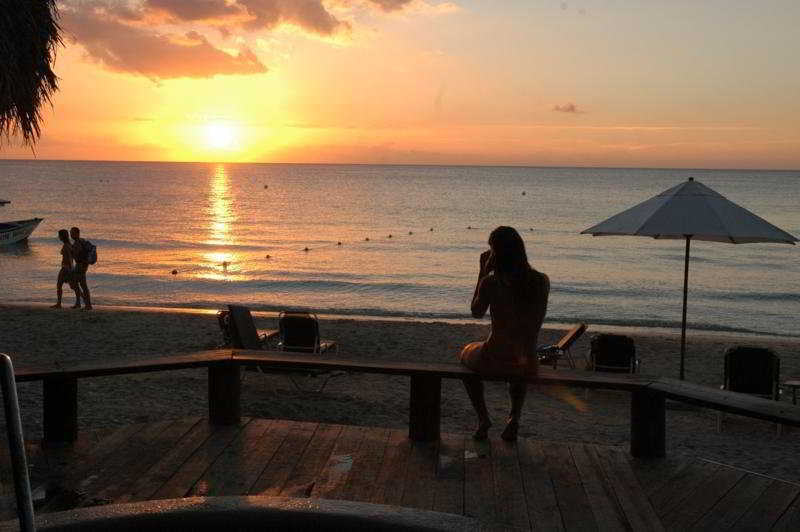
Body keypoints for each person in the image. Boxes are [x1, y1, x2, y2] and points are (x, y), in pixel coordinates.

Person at [459, 226, 550, 441]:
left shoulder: (491, 282)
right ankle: (514, 418)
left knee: (464, 356)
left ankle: (483, 418)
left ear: (496, 254)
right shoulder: (541, 281)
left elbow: (476, 312)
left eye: (491, 250)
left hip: (495, 359)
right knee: (520, 362)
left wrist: (482, 274)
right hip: (528, 362)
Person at [51, 229, 82, 309]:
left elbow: (69, 258)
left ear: (62, 237)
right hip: (67, 268)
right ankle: (79, 302)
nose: (58, 237)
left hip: (66, 268)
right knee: (74, 286)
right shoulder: (69, 245)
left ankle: (59, 303)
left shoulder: (66, 246)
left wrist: (70, 269)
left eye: (59, 236)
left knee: (61, 285)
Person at [70, 226, 92, 310]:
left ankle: (87, 304)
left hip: (80, 266)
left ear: (77, 233)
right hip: (82, 266)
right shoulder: (82, 241)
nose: (71, 234)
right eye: (70, 233)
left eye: (72, 233)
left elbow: (77, 256)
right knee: (78, 285)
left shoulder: (78, 243)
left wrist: (72, 252)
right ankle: (81, 303)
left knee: (77, 285)